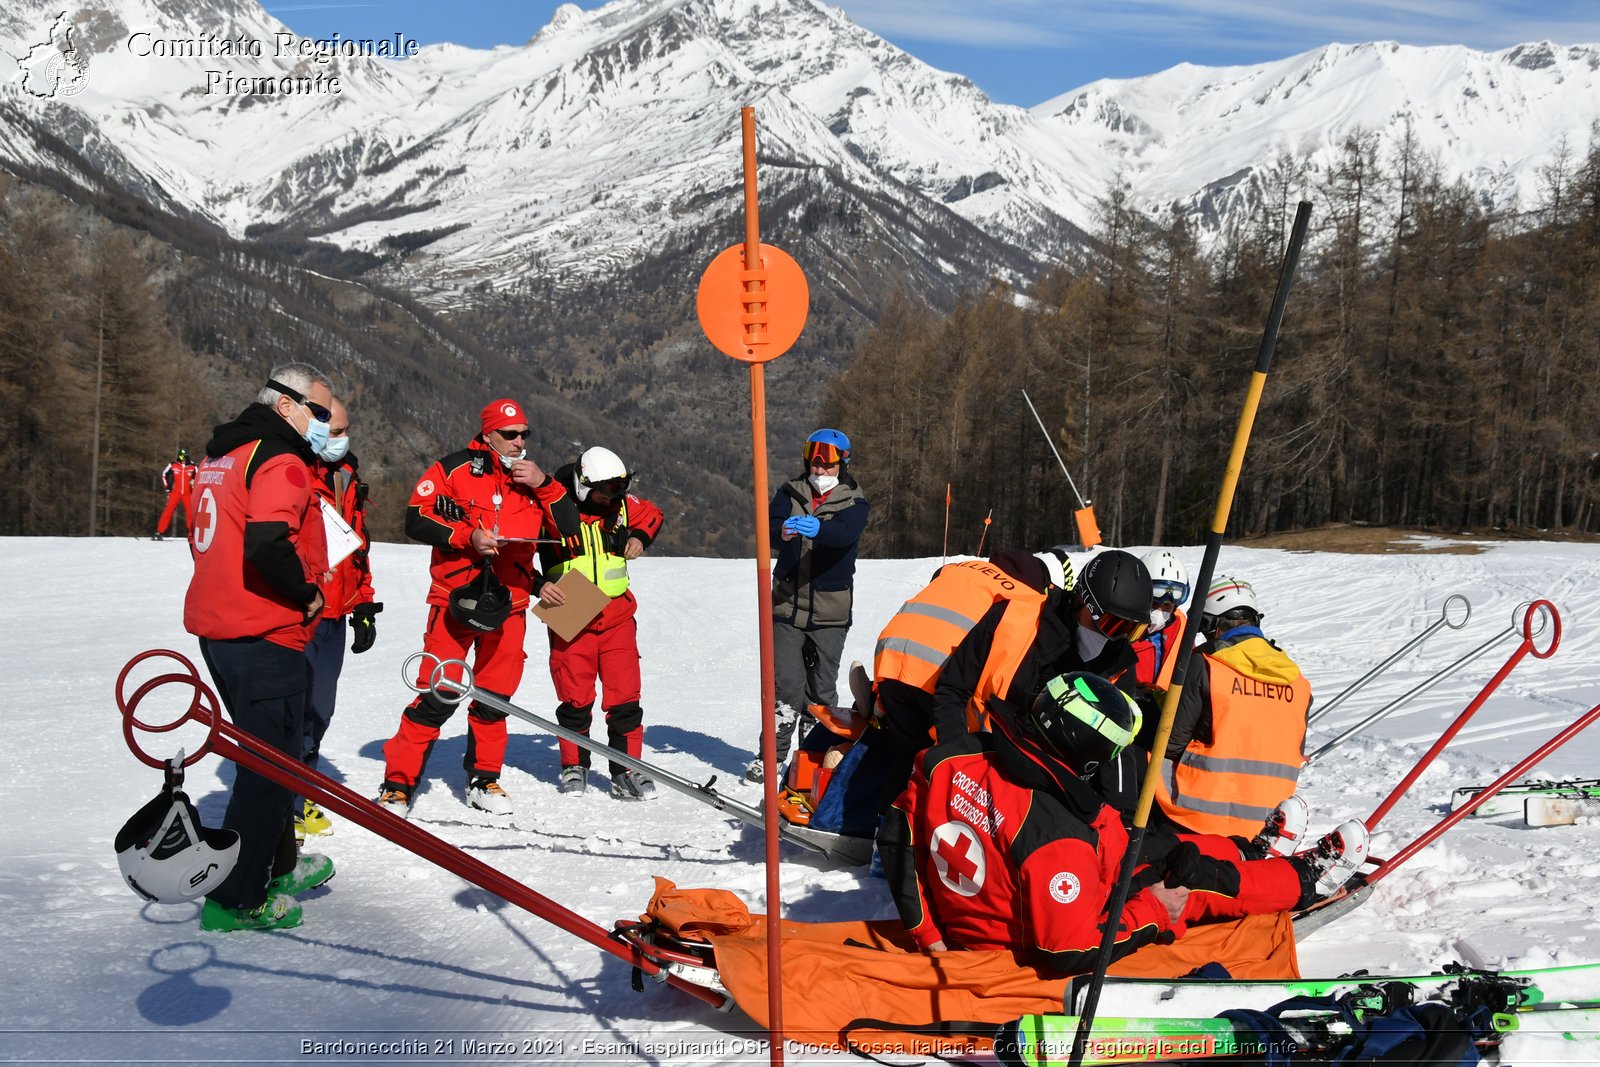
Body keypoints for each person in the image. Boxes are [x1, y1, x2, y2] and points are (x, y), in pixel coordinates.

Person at [877, 670, 1368, 973]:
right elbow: (1066, 952)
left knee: (1165, 843)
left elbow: (897, 826)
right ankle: (1301, 880)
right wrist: (1152, 910)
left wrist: (927, 932)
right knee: (1193, 881)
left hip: (1020, 878)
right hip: (1022, 926)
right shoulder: (1057, 844)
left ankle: (1248, 851)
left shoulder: (952, 758)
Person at [182, 363, 338, 932]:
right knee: (268, 769)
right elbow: (268, 541)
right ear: (285, 405)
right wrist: (307, 595)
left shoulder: (224, 456)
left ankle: (277, 865)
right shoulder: (279, 459)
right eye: (318, 412)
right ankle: (237, 897)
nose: (323, 424)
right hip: (264, 630)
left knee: (265, 755)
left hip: (221, 625)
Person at [375, 399, 579, 817]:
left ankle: (484, 778)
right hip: (455, 601)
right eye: (510, 434)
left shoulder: (535, 479)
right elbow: (416, 518)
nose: (519, 441)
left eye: (525, 434)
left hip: (511, 605)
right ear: (487, 434)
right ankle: (398, 784)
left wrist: (543, 484)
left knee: (494, 698)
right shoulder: (453, 470)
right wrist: (467, 536)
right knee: (439, 691)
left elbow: (571, 528)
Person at [789, 548, 1071, 829]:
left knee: (901, 741)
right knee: (929, 755)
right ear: (1048, 584)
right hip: (938, 671)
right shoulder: (1027, 601)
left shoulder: (965, 567)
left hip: (892, 652)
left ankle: (877, 707)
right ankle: (902, 831)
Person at [931, 547, 1154, 811]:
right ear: (1082, 601)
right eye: (1111, 624)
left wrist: (1121, 814)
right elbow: (952, 689)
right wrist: (956, 759)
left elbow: (1119, 747)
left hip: (1050, 791)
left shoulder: (1119, 665)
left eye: (1131, 630)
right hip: (980, 767)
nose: (1115, 639)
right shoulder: (1012, 618)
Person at [536, 446, 665, 800]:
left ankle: (626, 769)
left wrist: (639, 537)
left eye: (615, 493)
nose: (609, 500)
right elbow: (516, 546)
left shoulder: (620, 502)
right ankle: (574, 765)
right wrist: (536, 584)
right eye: (601, 494)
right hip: (570, 604)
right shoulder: (554, 506)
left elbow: (652, 513)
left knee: (625, 695)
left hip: (616, 610)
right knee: (574, 697)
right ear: (581, 485)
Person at [748, 428, 870, 783]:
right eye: (814, 466)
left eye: (827, 467)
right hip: (786, 607)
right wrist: (781, 532)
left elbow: (844, 534)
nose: (819, 473)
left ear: (842, 466)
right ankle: (770, 757)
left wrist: (819, 529)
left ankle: (812, 757)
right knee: (786, 687)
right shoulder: (790, 493)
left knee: (820, 691)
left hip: (830, 614)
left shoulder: (854, 502)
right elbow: (767, 526)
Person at [1149, 575, 1312, 840]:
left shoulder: (1206, 666)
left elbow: (1170, 744)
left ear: (1212, 624)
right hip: (1267, 827)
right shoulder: (1298, 683)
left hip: (1196, 819)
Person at [297, 398, 380, 842]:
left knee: (319, 710)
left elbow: (357, 545)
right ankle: (284, 800)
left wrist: (364, 603)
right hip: (297, 612)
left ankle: (301, 791)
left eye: (345, 430)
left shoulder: (346, 476)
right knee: (290, 710)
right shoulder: (291, 474)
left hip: (336, 612)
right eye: (333, 431)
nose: (341, 440)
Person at [1130, 549, 1191, 710]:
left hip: (1166, 716)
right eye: (1154, 602)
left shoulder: (1181, 627)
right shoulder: (1120, 626)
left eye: (1167, 605)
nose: (1160, 610)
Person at [153, 447, 197, 540]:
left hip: (188, 492)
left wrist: (194, 484)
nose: (184, 460)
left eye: (185, 458)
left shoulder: (193, 466)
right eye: (182, 458)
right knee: (168, 511)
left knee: (190, 513)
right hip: (175, 492)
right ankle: (160, 532)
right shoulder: (173, 465)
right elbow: (164, 475)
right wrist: (168, 488)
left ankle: (191, 533)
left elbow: (199, 478)